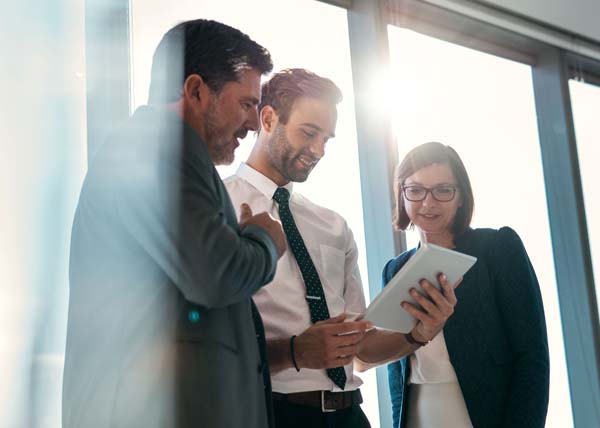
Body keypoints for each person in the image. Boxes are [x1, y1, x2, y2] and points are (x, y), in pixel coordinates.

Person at [62, 20, 286, 428]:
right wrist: (264, 241)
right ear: (196, 90)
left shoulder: (164, 152)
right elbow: (216, 274)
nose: (254, 124)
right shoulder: (157, 148)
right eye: (247, 104)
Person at [224, 69, 458, 428]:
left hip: (350, 415)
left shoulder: (332, 225)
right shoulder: (219, 206)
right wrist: (294, 352)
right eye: (309, 133)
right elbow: (209, 345)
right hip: (275, 413)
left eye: (327, 139)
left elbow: (361, 348)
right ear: (268, 118)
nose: (318, 150)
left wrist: (417, 334)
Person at [384, 142, 550, 428]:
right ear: (402, 195)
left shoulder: (497, 248)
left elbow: (532, 357)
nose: (428, 202)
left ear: (460, 196)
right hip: (418, 413)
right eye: (415, 190)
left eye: (443, 190)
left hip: (484, 414)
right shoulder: (394, 269)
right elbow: (396, 369)